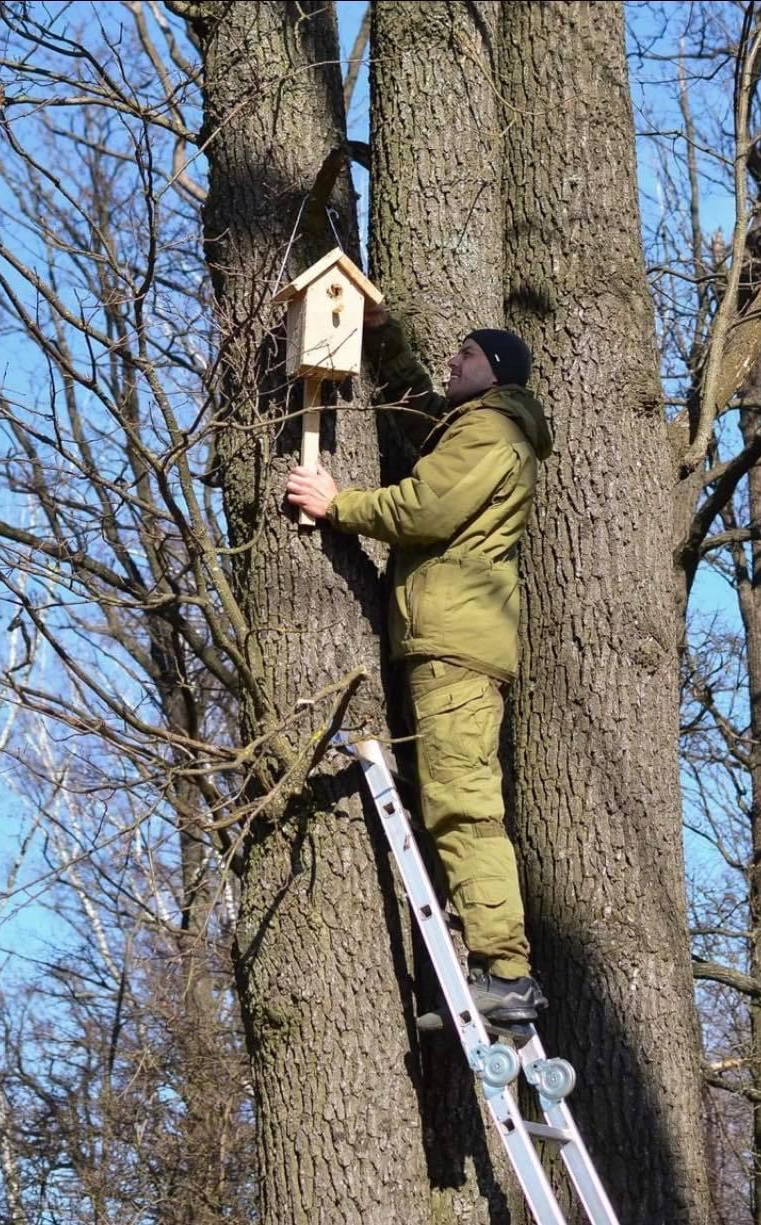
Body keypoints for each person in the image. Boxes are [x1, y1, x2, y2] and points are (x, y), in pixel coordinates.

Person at [285, 308, 552, 1030]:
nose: (452, 364)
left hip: (455, 643)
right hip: (453, 636)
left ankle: (506, 973)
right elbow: (424, 421)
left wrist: (337, 503)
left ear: (494, 370)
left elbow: (427, 506)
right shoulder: (481, 429)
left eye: (465, 355)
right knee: (456, 796)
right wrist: (383, 339)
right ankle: (500, 967)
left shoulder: (490, 429)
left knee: (463, 802)